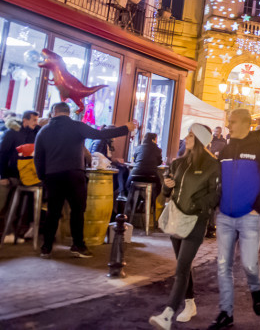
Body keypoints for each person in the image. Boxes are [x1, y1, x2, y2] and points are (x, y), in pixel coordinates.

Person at [34, 102, 135, 258]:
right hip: (74, 174)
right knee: (78, 211)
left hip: (53, 175)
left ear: (54, 112)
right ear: (68, 112)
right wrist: (125, 129)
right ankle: (78, 245)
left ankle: (46, 248)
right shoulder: (76, 126)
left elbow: (38, 158)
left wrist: (43, 177)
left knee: (53, 212)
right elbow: (101, 134)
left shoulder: (44, 131)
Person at [210, 108, 260, 330]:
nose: (230, 125)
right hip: (226, 217)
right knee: (223, 266)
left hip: (249, 217)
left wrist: (258, 209)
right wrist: (216, 205)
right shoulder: (226, 150)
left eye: (234, 122)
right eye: (229, 122)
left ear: (247, 124)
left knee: (249, 264)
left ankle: (256, 290)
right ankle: (225, 313)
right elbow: (217, 180)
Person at [148, 124, 220, 330]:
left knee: (181, 268)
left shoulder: (211, 164)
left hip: (195, 221)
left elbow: (215, 195)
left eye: (190, 135)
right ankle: (190, 305)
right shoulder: (179, 162)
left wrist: (197, 207)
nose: (185, 138)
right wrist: (166, 186)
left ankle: (167, 314)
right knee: (183, 265)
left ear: (199, 139)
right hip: (176, 218)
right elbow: (167, 193)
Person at [0, 110, 39, 214]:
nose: (36, 123)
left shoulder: (35, 133)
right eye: (34, 120)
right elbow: (3, 154)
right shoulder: (12, 133)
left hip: (25, 175)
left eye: (37, 120)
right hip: (10, 174)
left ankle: (12, 227)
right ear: (25, 120)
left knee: (14, 205)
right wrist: (3, 176)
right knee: (3, 202)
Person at [127, 132, 164, 202]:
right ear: (153, 140)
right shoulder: (157, 149)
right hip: (151, 177)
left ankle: (137, 202)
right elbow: (159, 162)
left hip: (135, 175)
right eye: (156, 139)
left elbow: (135, 160)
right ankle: (149, 203)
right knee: (159, 187)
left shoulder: (138, 148)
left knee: (128, 185)